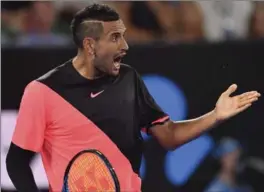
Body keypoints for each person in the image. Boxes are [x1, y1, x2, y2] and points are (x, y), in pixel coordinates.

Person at [6, 4, 261, 192]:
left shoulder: (129, 80)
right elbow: (17, 162)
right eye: (115, 38)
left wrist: (215, 116)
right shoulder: (42, 91)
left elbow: (169, 136)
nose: (125, 46)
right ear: (90, 46)